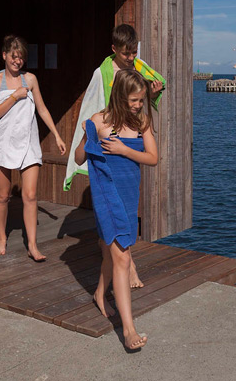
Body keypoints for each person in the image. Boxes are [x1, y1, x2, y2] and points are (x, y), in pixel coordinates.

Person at [63, 24, 165, 288]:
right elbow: (94, 104)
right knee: (112, 222)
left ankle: (108, 280)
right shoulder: (103, 73)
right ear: (114, 50)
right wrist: (93, 135)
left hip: (128, 148)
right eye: (126, 53)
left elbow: (142, 105)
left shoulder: (138, 70)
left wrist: (151, 95)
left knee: (125, 219)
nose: (130, 58)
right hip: (108, 146)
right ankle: (126, 269)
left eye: (133, 52)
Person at [74, 69, 157, 351]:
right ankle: (129, 330)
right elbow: (78, 157)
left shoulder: (142, 121)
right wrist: (88, 137)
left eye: (141, 100)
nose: (138, 105)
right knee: (122, 256)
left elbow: (153, 158)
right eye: (134, 100)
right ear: (120, 96)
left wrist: (124, 150)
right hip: (106, 195)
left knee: (114, 250)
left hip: (129, 194)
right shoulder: (99, 121)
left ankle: (100, 293)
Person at [0, 35, 66, 259]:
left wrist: (57, 135)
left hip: (28, 143)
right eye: (13, 56)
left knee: (30, 195)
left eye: (21, 58)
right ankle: (2, 238)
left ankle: (32, 245)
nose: (17, 61)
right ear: (4, 56)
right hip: (1, 143)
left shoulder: (30, 79)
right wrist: (14, 97)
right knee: (3, 195)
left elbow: (42, 109)